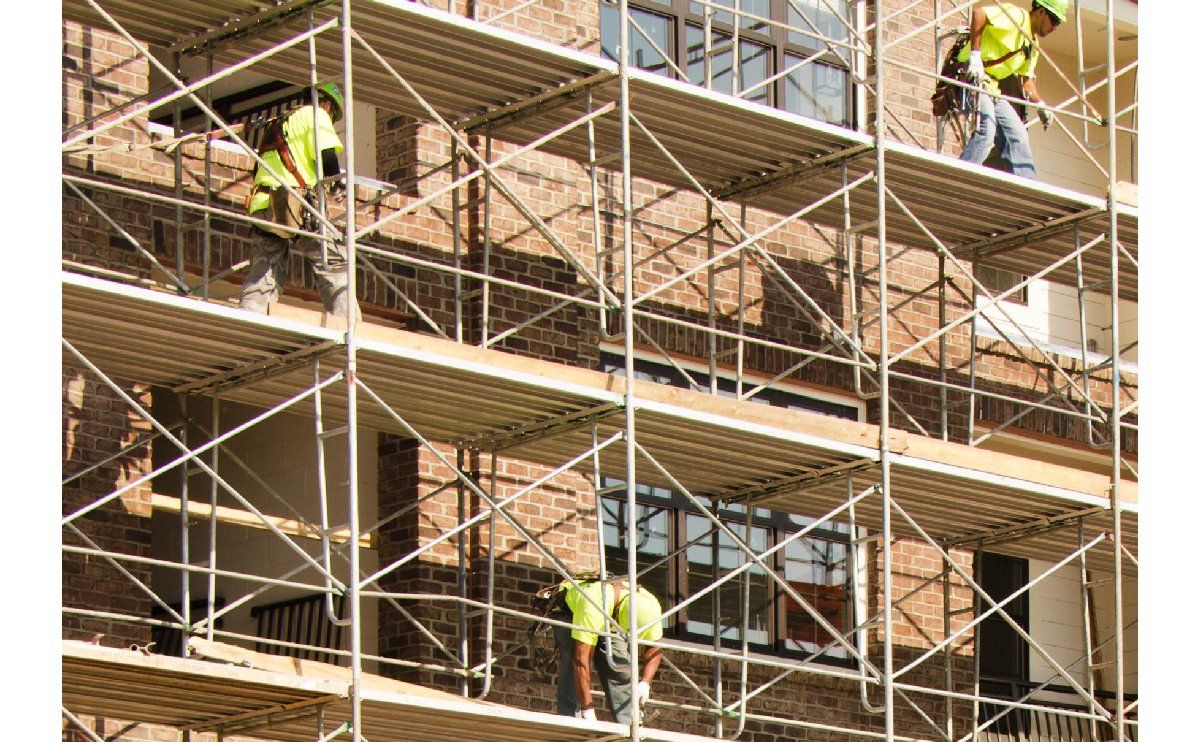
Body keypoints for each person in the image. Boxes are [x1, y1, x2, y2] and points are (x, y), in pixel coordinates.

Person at [240, 82, 360, 319]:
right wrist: (337, 183)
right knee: (335, 260)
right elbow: (327, 155)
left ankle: (250, 313)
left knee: (265, 266)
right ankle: (349, 323)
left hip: (264, 204)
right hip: (294, 204)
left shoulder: (280, 122)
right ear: (327, 104)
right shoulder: (316, 113)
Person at [957, 0, 1067, 179]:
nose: (1055, 26)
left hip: (991, 88)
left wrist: (1040, 104)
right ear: (1040, 12)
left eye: (1058, 23)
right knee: (986, 131)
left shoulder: (1032, 46)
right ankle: (959, 176)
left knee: (1018, 135)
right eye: (1054, 20)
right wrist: (975, 54)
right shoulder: (1017, 17)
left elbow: (1025, 81)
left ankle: (1027, 187)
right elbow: (979, 13)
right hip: (971, 77)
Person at [554, 575, 664, 724]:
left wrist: (645, 683)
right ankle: (572, 721)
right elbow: (581, 661)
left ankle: (629, 725)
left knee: (619, 667)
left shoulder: (650, 607)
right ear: (618, 613)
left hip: (610, 620)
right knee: (571, 662)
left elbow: (655, 648)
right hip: (573, 612)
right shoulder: (593, 605)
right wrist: (588, 709)